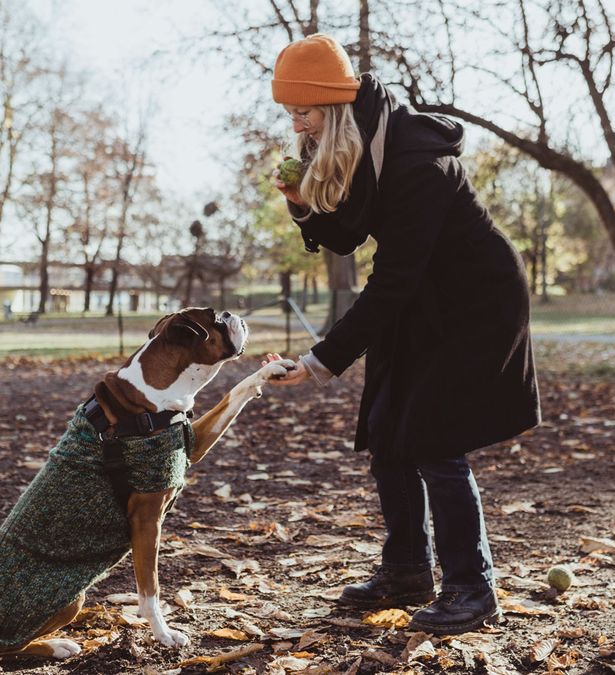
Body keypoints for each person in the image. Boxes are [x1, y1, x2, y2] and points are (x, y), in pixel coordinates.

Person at [264, 34, 541, 635]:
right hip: (422, 294)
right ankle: (408, 570)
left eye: (303, 112)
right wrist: (301, 205)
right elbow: (347, 237)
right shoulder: (362, 138)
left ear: (333, 106)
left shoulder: (416, 157)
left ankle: (472, 588)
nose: (296, 125)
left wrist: (319, 361)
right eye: (289, 112)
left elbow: (391, 281)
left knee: (434, 440)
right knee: (388, 430)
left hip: (473, 300)